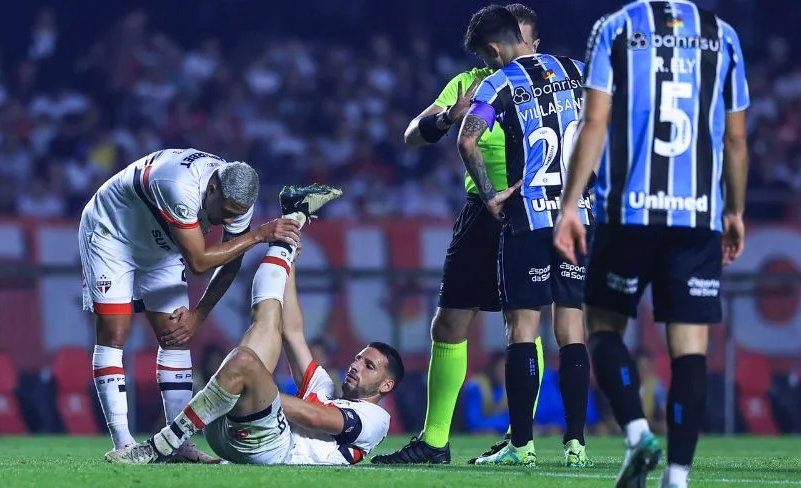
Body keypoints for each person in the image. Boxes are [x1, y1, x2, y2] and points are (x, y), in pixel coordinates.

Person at [373, 4, 582, 467]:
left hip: (534, 211)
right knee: (449, 322)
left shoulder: (552, 80)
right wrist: (448, 117)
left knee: (524, 323)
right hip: (483, 213)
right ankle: (434, 441)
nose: (530, 52)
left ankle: (518, 435)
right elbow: (412, 133)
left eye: (534, 42)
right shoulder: (470, 83)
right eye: (522, 42)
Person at [553, 0, 749, 485]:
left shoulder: (616, 28)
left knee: (600, 325)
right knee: (690, 350)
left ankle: (639, 433)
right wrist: (734, 211)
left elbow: (594, 121)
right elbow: (738, 140)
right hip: (699, 215)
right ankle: (678, 476)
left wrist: (570, 204)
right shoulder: (723, 35)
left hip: (630, 211)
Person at [104, 185, 405, 466]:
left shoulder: (375, 418)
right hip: (234, 428)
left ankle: (163, 444)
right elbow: (293, 332)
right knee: (267, 320)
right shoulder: (326, 388)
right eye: (359, 358)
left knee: (245, 363)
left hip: (271, 447)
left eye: (369, 366)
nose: (356, 365)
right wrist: (290, 260)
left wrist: (249, 392)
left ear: (386, 384)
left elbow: (315, 417)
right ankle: (293, 217)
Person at [79, 148, 306, 461]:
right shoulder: (178, 185)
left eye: (235, 214)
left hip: (163, 243)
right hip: (112, 234)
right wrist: (258, 235)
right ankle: (123, 442)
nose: (227, 219)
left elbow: (230, 261)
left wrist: (199, 315)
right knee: (115, 333)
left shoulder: (237, 195)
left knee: (176, 334)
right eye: (224, 211)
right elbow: (200, 262)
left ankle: (178, 445)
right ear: (212, 188)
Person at [456, 5, 595, 467]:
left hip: (529, 219)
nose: (489, 64)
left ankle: (521, 445)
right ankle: (576, 444)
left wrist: (494, 195)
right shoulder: (576, 70)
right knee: (572, 328)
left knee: (522, 329)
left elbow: (467, 140)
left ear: (495, 49)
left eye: (487, 56)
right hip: (578, 217)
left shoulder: (499, 83)